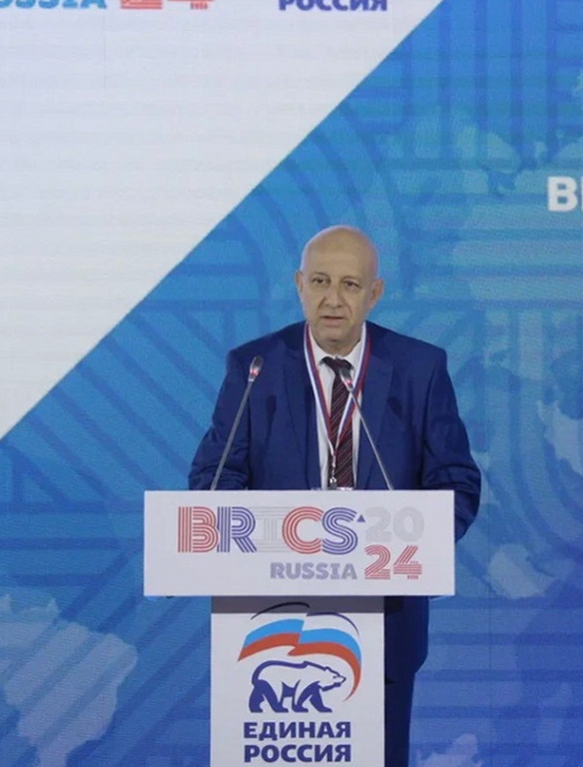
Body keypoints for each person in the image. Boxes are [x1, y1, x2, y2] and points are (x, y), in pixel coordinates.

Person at [189, 224, 481, 767]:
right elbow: (214, 478)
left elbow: (457, 482)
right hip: (270, 622)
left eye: (350, 285)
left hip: (387, 619)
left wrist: (415, 546)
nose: (332, 299)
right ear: (299, 284)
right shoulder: (255, 367)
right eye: (320, 281)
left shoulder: (419, 369)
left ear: (375, 294)